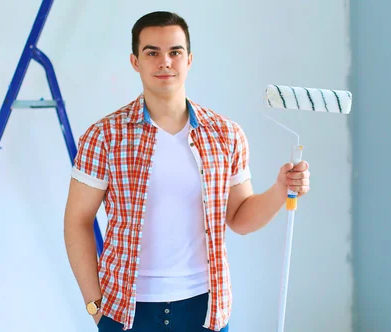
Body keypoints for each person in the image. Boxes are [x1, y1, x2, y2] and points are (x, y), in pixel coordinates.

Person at [63, 11, 310, 332]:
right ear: (135, 61)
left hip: (205, 308)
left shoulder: (225, 134)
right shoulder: (105, 135)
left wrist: (281, 190)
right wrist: (95, 306)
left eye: (175, 52)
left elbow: (240, 218)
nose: (164, 62)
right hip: (126, 310)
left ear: (189, 59)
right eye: (152, 52)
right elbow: (77, 221)